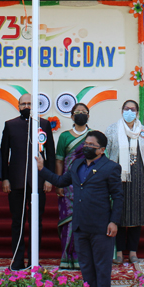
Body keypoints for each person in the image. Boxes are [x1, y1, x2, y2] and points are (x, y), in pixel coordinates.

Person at [39, 130, 122, 287]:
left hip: (101, 227)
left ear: (101, 150)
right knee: (86, 268)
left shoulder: (111, 167)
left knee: (102, 268)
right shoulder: (77, 164)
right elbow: (60, 180)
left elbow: (118, 197)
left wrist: (114, 222)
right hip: (80, 226)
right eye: (86, 144)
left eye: (91, 145)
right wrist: (42, 169)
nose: (87, 147)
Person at [0, 94, 54, 270]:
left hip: (38, 181)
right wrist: (5, 178)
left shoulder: (44, 124)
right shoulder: (10, 125)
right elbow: (3, 154)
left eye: (30, 103)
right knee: (18, 222)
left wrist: (48, 178)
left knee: (36, 222)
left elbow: (50, 153)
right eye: (23, 104)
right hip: (16, 181)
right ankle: (17, 260)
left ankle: (33, 260)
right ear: (18, 106)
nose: (26, 106)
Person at [104, 99, 144, 265]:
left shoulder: (143, 131)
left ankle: (133, 251)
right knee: (118, 214)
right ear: (122, 111)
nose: (129, 112)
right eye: (127, 108)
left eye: (133, 109)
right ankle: (119, 252)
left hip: (140, 179)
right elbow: (106, 153)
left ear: (137, 112)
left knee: (136, 215)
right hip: (118, 178)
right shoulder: (112, 129)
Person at [55, 102, 90, 269]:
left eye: (84, 111)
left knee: (85, 220)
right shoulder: (64, 137)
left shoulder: (93, 136)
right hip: (68, 185)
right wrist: (59, 183)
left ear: (88, 115)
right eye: (77, 111)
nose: (80, 114)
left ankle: (82, 258)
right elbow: (59, 160)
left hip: (88, 184)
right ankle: (67, 258)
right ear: (71, 116)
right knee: (68, 221)